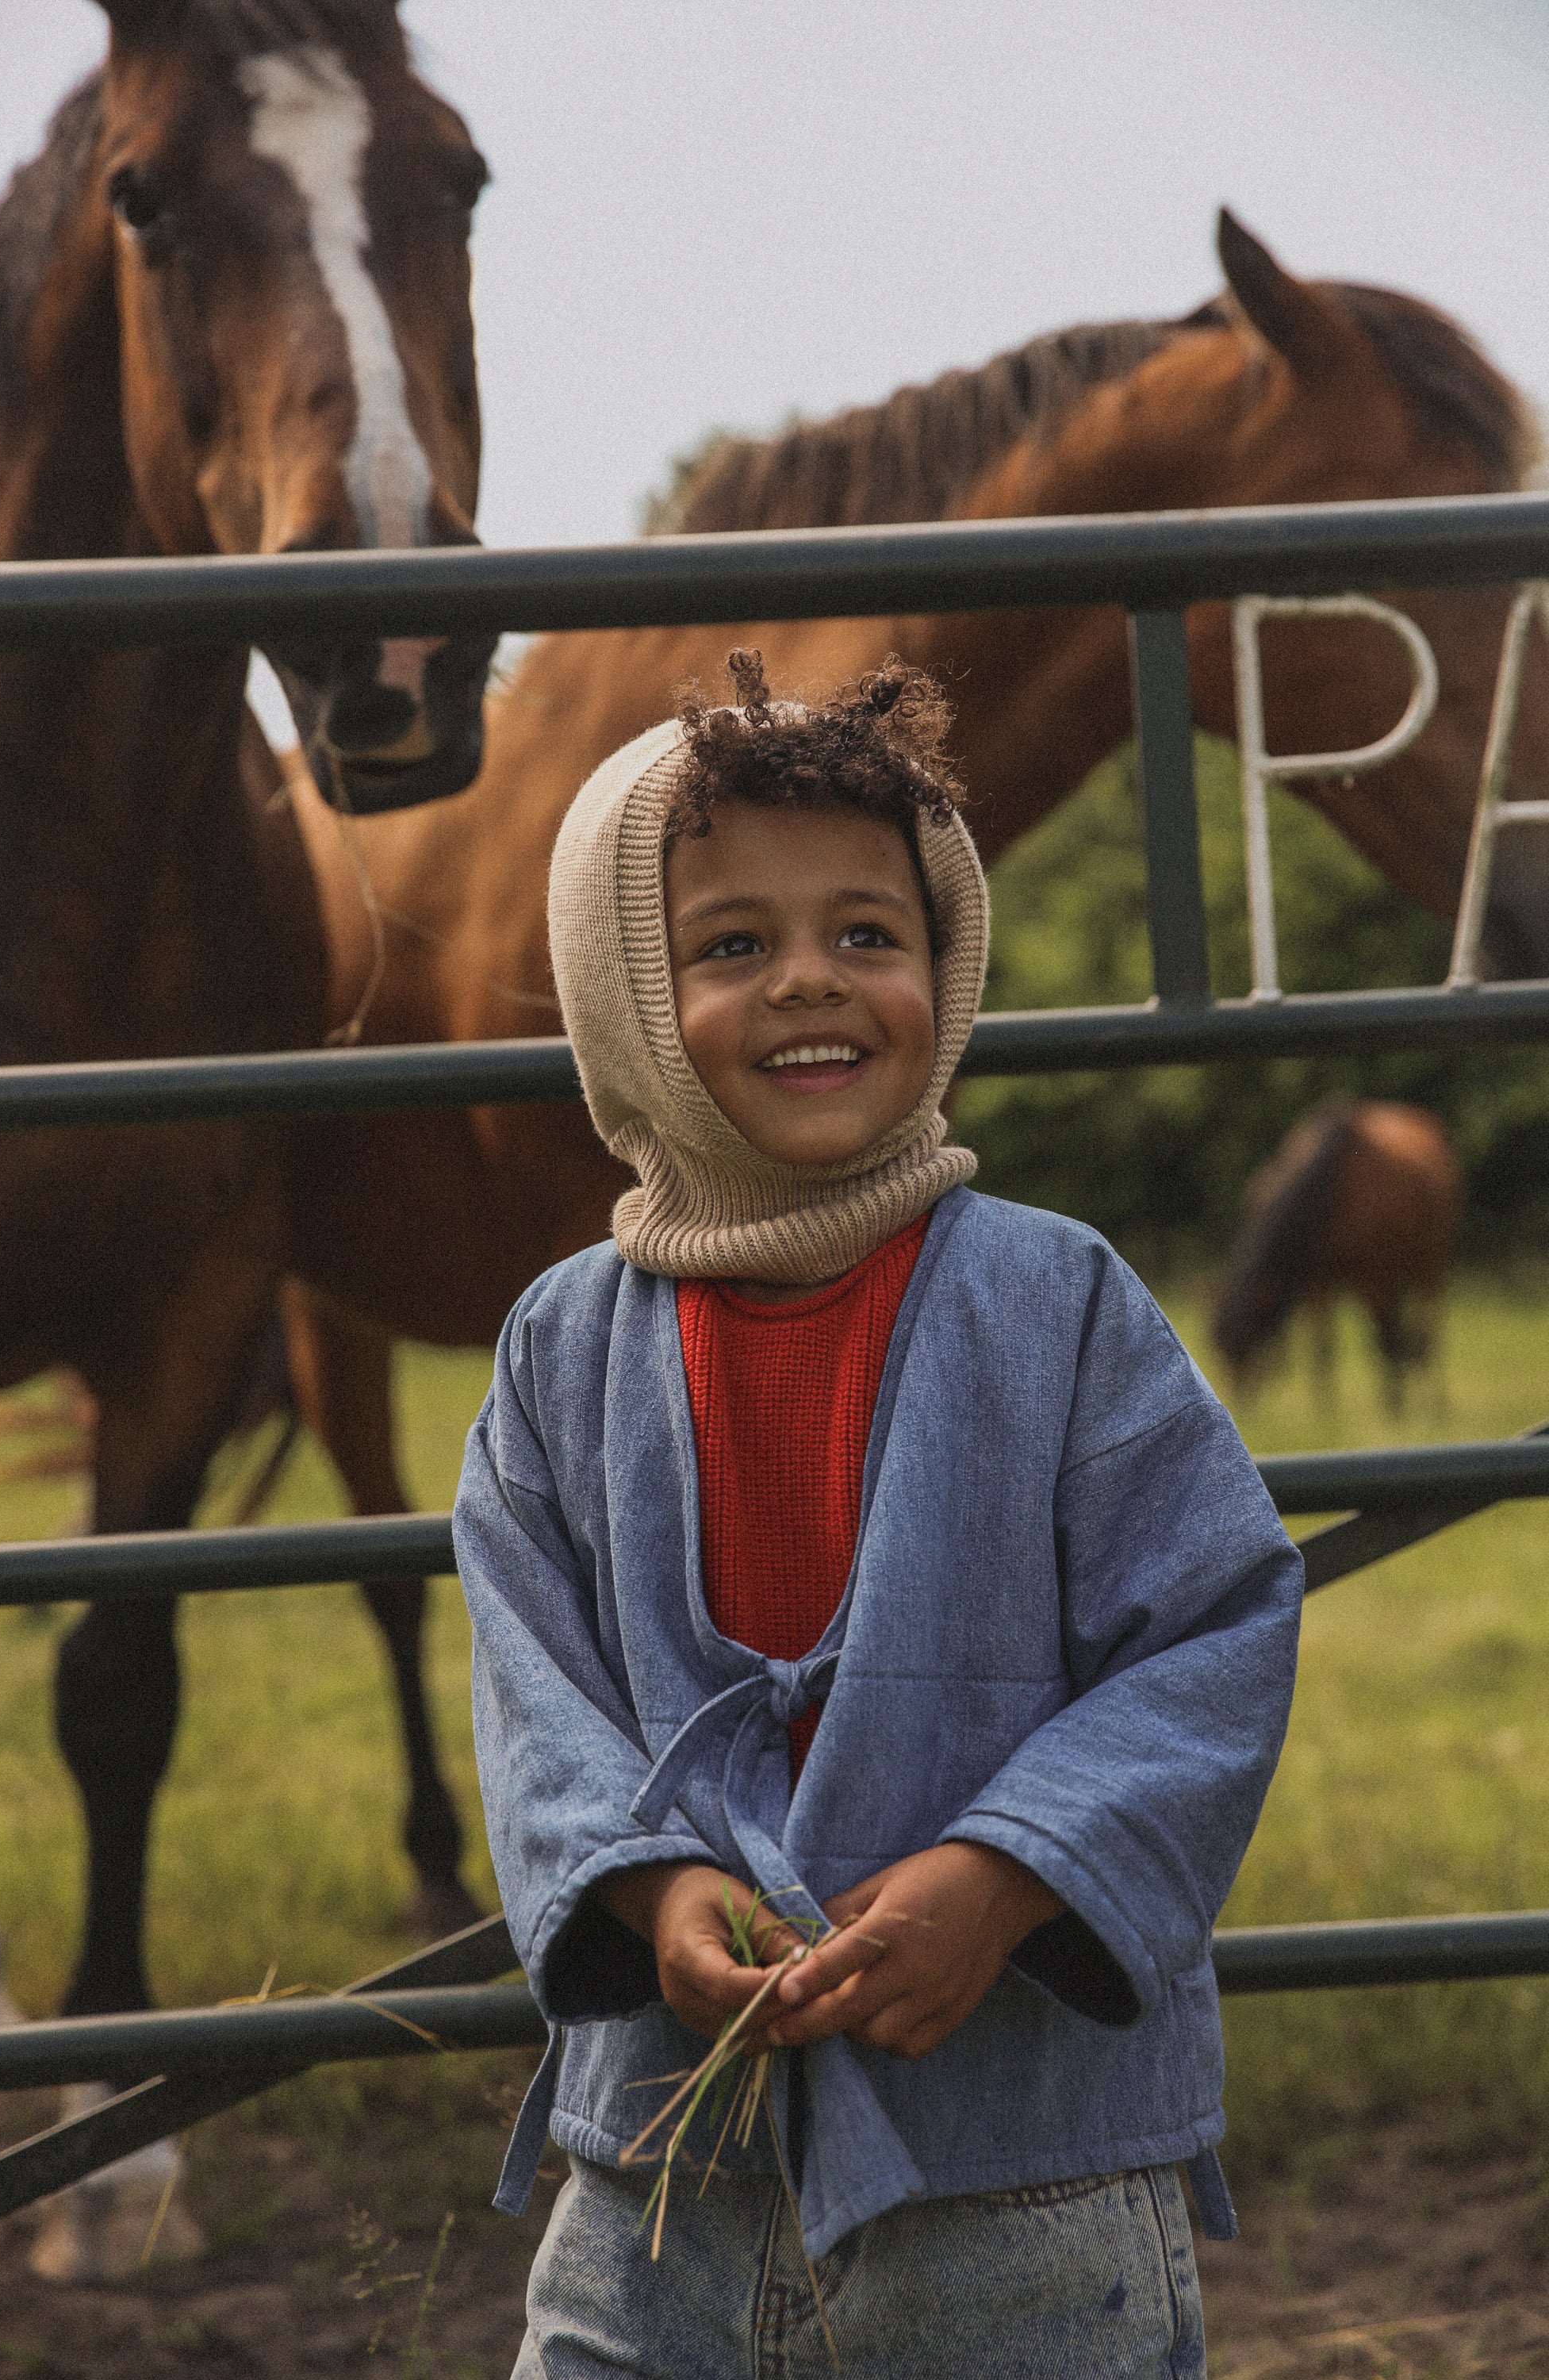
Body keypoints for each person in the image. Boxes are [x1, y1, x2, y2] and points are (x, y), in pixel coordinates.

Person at [454, 651, 1303, 2379]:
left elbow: (1213, 1623)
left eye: (866, 933)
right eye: (730, 947)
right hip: (659, 2182)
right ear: (620, 992)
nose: (809, 986)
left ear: (944, 963)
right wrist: (647, 1888)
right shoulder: (559, 1344)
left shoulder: (1059, 1302)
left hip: (1023, 2191)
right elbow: (529, 1662)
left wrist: (1005, 1878)